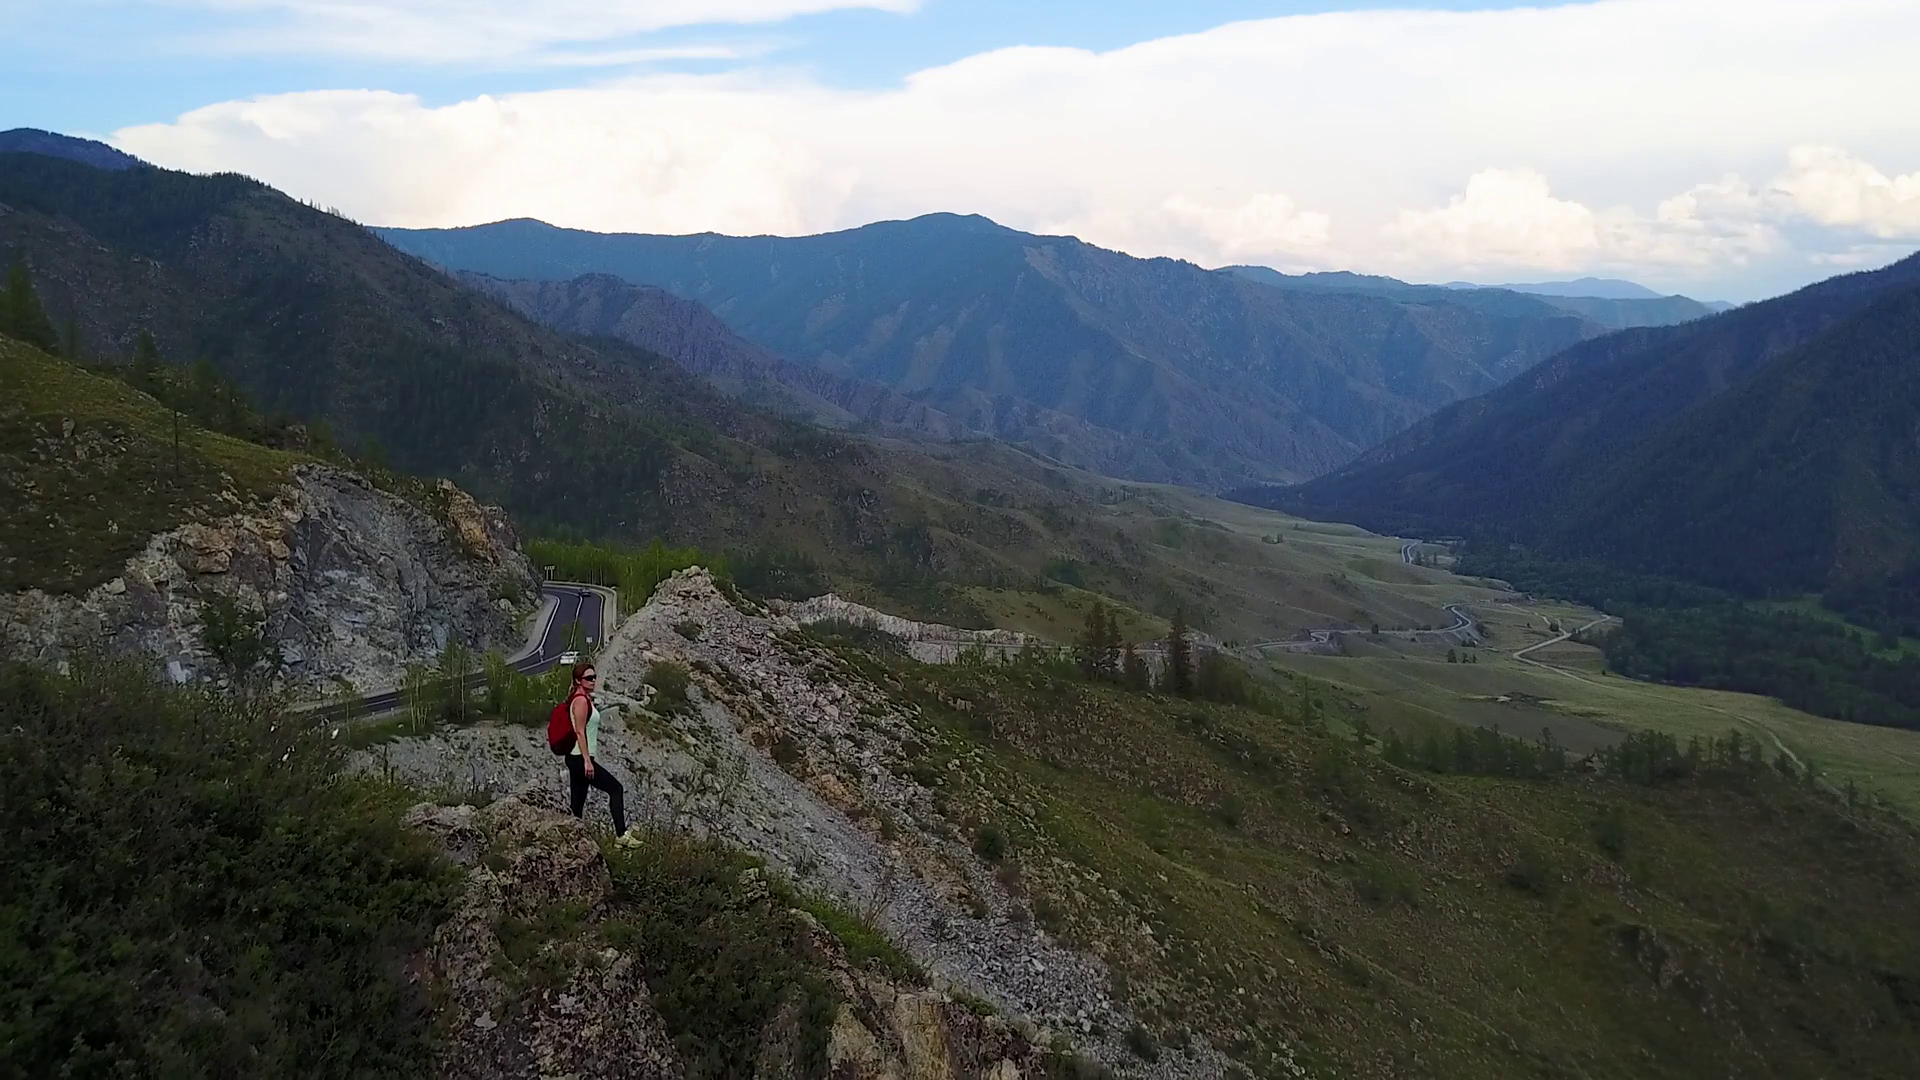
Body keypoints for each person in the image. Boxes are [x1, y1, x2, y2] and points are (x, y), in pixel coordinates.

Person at [564, 663, 630, 838]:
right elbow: (579, 731)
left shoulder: (583, 699)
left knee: (577, 805)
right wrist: (587, 760)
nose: (593, 681)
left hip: (576, 757)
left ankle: (572, 838)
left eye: (594, 677)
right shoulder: (580, 701)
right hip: (580, 757)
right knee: (616, 789)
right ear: (578, 680)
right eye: (588, 678)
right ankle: (621, 836)